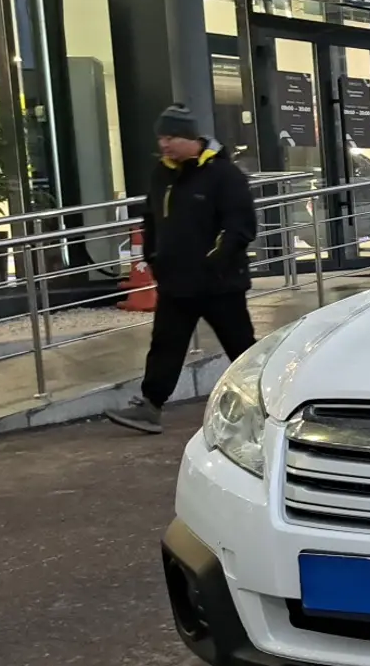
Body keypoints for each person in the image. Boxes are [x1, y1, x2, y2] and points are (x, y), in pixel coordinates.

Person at [106, 106, 258, 435]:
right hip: (176, 283)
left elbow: (241, 227)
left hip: (220, 284)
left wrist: (214, 261)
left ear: (191, 138)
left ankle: (266, 404)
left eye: (170, 137)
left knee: (241, 348)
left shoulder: (224, 175)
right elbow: (151, 218)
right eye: (161, 137)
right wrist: (154, 257)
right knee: (165, 345)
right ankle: (150, 406)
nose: (164, 144)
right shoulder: (162, 173)